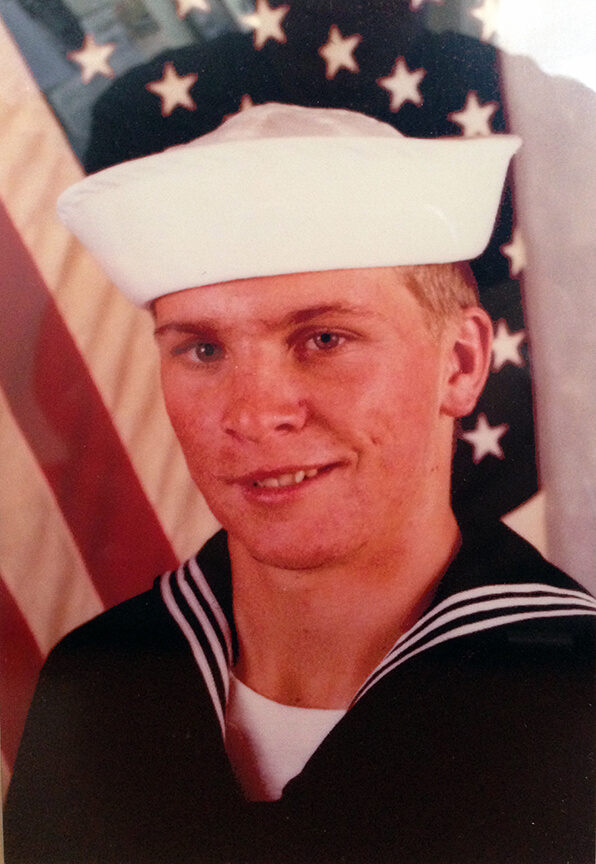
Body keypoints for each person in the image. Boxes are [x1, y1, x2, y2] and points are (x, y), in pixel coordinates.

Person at [4, 103, 596, 864]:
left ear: (460, 363)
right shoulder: (95, 684)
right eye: (203, 350)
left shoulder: (574, 698)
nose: (254, 414)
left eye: (324, 338)